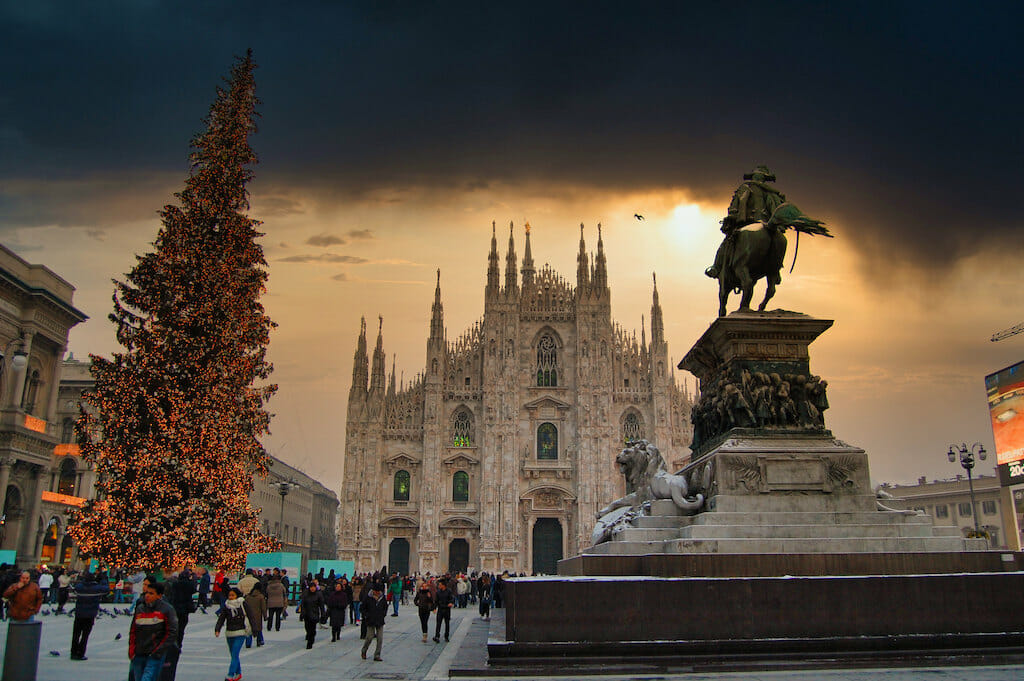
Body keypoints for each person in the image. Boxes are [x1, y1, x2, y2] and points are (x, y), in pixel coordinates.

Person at [706, 165, 786, 279]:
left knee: (727, 242)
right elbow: (776, 209)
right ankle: (775, 270)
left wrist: (732, 216)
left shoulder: (745, 188)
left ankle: (715, 267)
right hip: (766, 224)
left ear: (754, 176)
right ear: (764, 178)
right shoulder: (771, 193)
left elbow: (735, 206)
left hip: (746, 222)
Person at [128, 581, 178, 681]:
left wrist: (159, 650)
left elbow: (172, 632)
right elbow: (133, 630)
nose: (147, 596)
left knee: (147, 678)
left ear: (159, 595)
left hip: (154, 653)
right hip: (139, 653)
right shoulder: (140, 609)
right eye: (146, 593)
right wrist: (132, 649)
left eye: (151, 593)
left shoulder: (167, 609)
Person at [214, 587, 252, 681]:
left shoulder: (242, 603)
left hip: (240, 632)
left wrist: (255, 630)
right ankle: (238, 673)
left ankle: (230, 674)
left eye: (232, 595)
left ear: (237, 595)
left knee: (235, 653)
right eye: (229, 595)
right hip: (229, 632)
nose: (230, 597)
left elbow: (251, 616)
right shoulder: (226, 605)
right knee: (233, 655)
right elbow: (222, 618)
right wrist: (217, 629)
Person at [70, 571, 109, 660]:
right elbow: (106, 589)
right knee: (85, 635)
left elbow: (76, 588)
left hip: (79, 614)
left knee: (76, 634)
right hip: (90, 614)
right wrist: (103, 579)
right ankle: (81, 653)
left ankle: (73, 652)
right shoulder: (96, 588)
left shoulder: (80, 588)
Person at [167, 569, 197, 649]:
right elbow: (194, 590)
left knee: (175, 626)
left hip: (176, 607)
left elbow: (172, 593)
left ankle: (174, 642)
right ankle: (179, 643)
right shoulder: (189, 584)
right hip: (185, 608)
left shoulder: (175, 584)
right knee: (182, 627)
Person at [360, 582, 388, 661]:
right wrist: (366, 615)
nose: (377, 593)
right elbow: (362, 608)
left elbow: (385, 607)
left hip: (380, 620)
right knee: (369, 637)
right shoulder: (368, 597)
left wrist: (383, 614)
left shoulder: (382, 598)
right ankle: (364, 650)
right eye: (376, 591)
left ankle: (377, 655)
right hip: (370, 620)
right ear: (373, 590)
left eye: (379, 591)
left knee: (380, 638)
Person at [297, 581, 325, 649]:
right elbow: (303, 604)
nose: (312, 589)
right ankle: (309, 636)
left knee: (312, 629)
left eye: (314, 587)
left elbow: (321, 605)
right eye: (311, 587)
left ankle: (310, 642)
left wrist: (323, 614)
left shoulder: (318, 594)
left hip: (314, 613)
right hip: (307, 614)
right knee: (307, 627)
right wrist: (302, 614)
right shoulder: (306, 594)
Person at [243, 581, 267, 648]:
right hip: (257, 615)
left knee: (249, 629)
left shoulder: (248, 596)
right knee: (258, 629)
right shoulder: (260, 597)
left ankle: (248, 643)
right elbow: (263, 608)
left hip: (249, 615)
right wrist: (265, 616)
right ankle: (259, 641)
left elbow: (244, 606)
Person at [432, 578, 455, 642]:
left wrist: (451, 603)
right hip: (440, 609)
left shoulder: (449, 591)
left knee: (447, 623)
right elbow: (436, 601)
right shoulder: (438, 592)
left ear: (443, 585)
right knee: (438, 623)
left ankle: (446, 636)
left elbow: (452, 598)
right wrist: (434, 608)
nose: (439, 586)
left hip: (447, 609)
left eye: (440, 585)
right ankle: (437, 636)